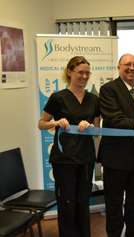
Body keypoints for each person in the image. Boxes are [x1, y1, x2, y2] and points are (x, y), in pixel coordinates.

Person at [38, 56, 100, 237]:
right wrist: (55, 123)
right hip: (64, 159)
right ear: (69, 72)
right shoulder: (58, 98)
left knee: (82, 201)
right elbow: (41, 123)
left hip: (86, 158)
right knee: (67, 202)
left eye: (87, 73)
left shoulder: (93, 100)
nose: (84, 76)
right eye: (80, 72)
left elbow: (97, 130)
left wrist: (90, 127)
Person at [98, 53, 134, 237]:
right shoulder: (108, 89)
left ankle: (133, 233)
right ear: (119, 67)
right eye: (127, 64)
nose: (132, 68)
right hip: (116, 158)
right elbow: (113, 118)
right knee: (114, 203)